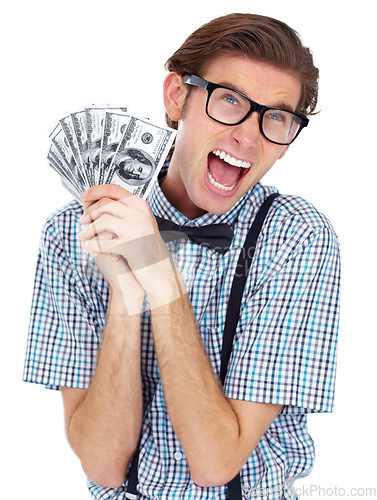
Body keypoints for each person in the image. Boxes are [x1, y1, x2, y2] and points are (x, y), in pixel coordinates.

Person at [23, 13, 341, 500]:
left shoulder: (296, 237)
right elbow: (104, 464)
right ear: (177, 96)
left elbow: (216, 462)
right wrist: (126, 293)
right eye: (230, 100)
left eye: (276, 116)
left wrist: (159, 276)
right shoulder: (73, 231)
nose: (248, 137)